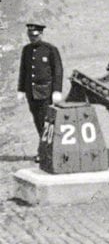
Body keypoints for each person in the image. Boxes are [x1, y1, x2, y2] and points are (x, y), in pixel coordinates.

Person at [17, 20, 64, 169]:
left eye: (35, 36)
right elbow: (23, 71)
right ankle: (45, 149)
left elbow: (58, 70)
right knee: (38, 122)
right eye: (30, 36)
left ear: (41, 34)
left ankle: (43, 152)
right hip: (31, 93)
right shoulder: (27, 50)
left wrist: (57, 90)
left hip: (45, 92)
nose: (32, 38)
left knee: (45, 122)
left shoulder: (50, 49)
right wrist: (21, 90)